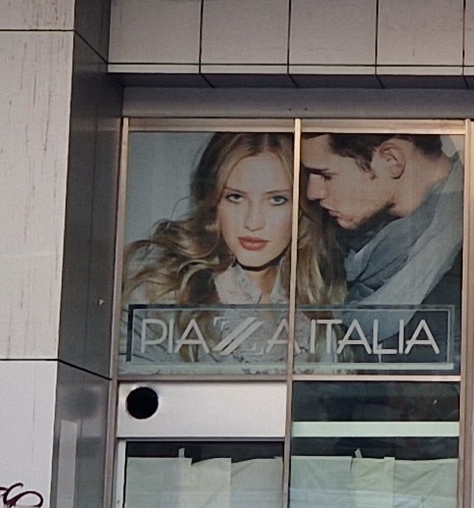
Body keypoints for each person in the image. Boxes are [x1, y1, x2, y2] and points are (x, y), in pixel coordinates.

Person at [123, 132, 344, 362]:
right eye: (236, 197)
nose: (253, 222)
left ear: (302, 208)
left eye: (277, 199)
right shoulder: (160, 286)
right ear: (212, 202)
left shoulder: (325, 295)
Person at [299, 132, 465, 313]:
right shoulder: (385, 242)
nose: (312, 193)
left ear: (391, 160)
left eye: (326, 176)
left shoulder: (466, 263)